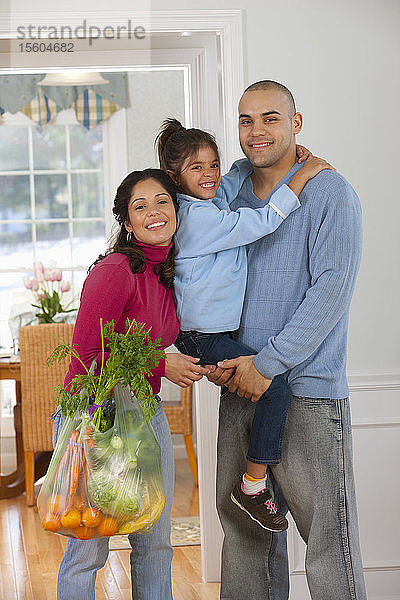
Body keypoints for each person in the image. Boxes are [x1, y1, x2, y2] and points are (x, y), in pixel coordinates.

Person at [206, 80, 366, 600]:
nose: (256, 131)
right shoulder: (226, 197)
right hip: (239, 388)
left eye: (270, 118)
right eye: (246, 120)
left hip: (307, 391)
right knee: (246, 538)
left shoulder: (330, 193)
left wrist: (268, 364)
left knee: (327, 544)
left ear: (296, 124)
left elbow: (331, 293)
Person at [156, 118, 334, 532]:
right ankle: (252, 486)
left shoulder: (210, 200)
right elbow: (259, 223)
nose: (210, 174)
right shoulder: (195, 219)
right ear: (173, 177)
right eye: (197, 168)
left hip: (215, 334)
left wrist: (257, 162)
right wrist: (303, 174)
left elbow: (235, 177)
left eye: (213, 164)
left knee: (265, 388)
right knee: (276, 389)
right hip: (202, 336)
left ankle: (254, 482)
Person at [52, 169, 209, 600]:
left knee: (155, 542)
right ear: (126, 222)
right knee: (88, 550)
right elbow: (88, 353)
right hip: (93, 417)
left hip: (145, 413)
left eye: (162, 201)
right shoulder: (115, 271)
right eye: (140, 206)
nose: (154, 212)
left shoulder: (169, 273)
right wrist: (161, 364)